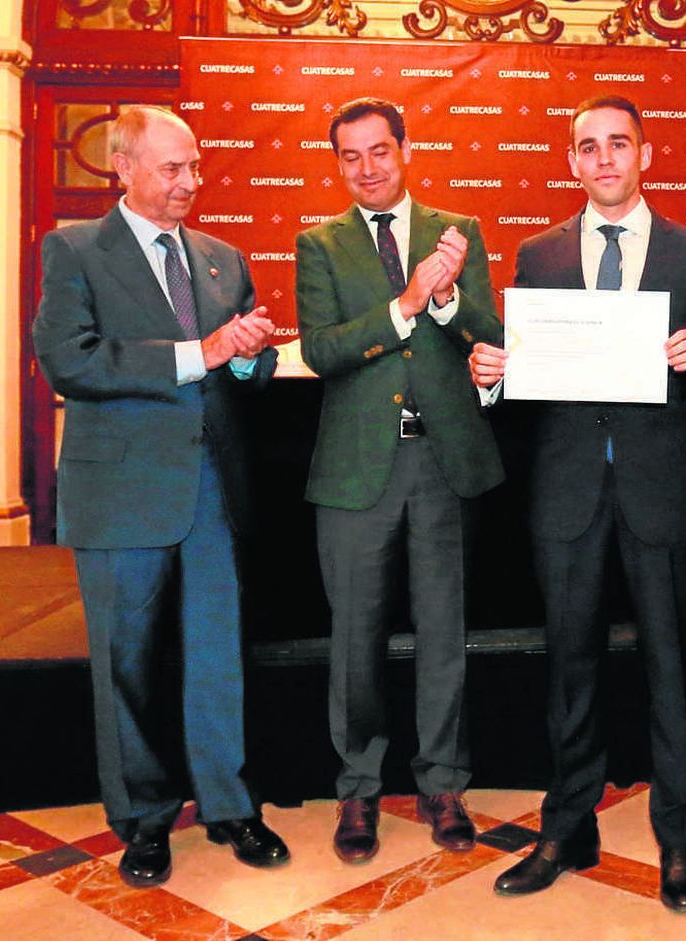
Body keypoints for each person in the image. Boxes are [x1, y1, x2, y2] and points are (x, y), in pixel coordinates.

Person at [468, 94, 686, 912]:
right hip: (567, 495)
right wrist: (491, 376)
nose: (603, 159)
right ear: (571, 161)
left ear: (645, 155)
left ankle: (678, 839)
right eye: (588, 147)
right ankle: (567, 828)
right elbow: (524, 369)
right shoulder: (539, 254)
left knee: (672, 671)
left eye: (618, 144)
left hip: (660, 492)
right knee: (569, 670)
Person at [33, 105, 288, 887]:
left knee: (217, 653)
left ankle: (230, 804)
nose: (190, 181)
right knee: (128, 661)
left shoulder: (222, 258)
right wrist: (197, 352)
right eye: (173, 167)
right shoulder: (75, 249)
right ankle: (143, 818)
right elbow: (68, 359)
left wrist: (245, 355)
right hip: (121, 489)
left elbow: (249, 372)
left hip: (213, 489)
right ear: (124, 166)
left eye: (195, 166)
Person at [295, 97, 504, 863]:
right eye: (350, 156)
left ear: (405, 150)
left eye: (379, 151)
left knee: (444, 631)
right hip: (357, 472)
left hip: (442, 462)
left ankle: (443, 783)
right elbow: (322, 349)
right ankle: (358, 788)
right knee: (355, 639)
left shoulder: (458, 232)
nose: (367, 168)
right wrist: (406, 304)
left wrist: (446, 299)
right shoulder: (319, 244)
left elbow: (490, 333)